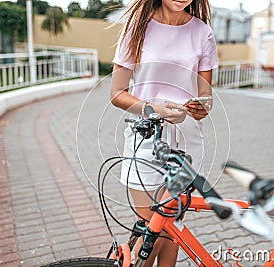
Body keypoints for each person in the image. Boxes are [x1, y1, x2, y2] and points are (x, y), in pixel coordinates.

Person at [110, 0, 218, 266]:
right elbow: (116, 93)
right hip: (145, 139)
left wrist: (202, 106)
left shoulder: (202, 32)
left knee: (173, 227)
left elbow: (205, 94)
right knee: (152, 229)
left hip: (187, 142)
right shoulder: (136, 28)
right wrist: (151, 108)